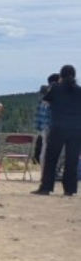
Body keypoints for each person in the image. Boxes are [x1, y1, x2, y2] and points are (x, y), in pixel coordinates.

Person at [33, 64, 81, 197]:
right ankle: (70, 189)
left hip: (58, 127)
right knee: (72, 160)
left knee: (51, 158)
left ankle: (46, 187)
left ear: (61, 75)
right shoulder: (79, 90)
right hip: (77, 129)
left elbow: (46, 102)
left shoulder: (56, 88)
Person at [33, 72, 59, 165]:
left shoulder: (43, 98)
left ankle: (44, 173)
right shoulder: (57, 96)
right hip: (55, 127)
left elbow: (38, 116)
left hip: (44, 129)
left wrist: (39, 129)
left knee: (44, 151)